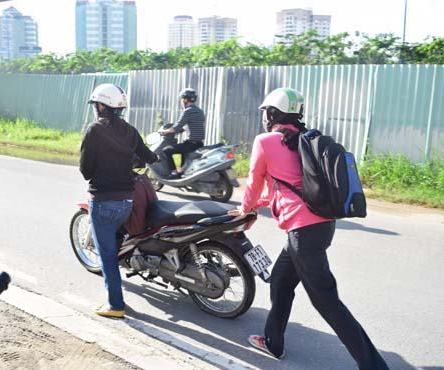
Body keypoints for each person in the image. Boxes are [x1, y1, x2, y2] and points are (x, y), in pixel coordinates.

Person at [228, 88, 389, 370]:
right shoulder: (304, 138)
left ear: (273, 113)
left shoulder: (266, 141)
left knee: (327, 302)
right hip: (319, 225)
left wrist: (245, 209)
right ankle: (273, 341)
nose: (264, 117)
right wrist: (255, 206)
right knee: (280, 280)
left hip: (304, 232)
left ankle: (373, 365)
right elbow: (285, 189)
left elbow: (254, 183)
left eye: (266, 111)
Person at [79, 83, 158, 319]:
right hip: (127, 203)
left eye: (96, 105)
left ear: (102, 106)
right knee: (117, 242)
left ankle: (115, 304)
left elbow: (85, 171)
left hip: (103, 203)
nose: (95, 108)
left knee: (106, 255)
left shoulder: (94, 131)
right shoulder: (131, 131)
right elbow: (149, 156)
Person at [159, 88, 205, 179]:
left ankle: (174, 172)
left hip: (191, 144)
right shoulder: (199, 111)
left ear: (184, 100)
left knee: (167, 150)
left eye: (181, 99)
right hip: (199, 143)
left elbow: (175, 128)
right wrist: (183, 129)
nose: (181, 102)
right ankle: (181, 170)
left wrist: (163, 131)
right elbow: (193, 124)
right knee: (180, 149)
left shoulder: (187, 111)